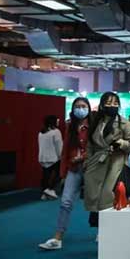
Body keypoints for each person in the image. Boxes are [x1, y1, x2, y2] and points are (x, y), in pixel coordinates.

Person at [38, 97, 92, 250]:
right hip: (73, 168)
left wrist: (83, 157)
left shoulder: (94, 126)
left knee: (96, 202)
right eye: (77, 106)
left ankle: (102, 233)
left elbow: (97, 147)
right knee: (65, 202)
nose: (80, 109)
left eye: (83, 106)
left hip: (91, 168)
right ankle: (58, 237)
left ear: (88, 108)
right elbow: (65, 149)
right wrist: (63, 172)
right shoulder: (70, 126)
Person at [83, 92, 130, 229]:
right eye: (108, 103)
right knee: (94, 196)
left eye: (115, 103)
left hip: (116, 163)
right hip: (96, 164)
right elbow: (90, 145)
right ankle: (100, 230)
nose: (112, 106)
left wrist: (121, 143)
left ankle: (110, 229)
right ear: (102, 105)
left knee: (108, 197)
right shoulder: (96, 123)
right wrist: (87, 162)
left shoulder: (125, 123)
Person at [38, 115, 63, 200]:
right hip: (53, 158)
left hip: (42, 158)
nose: (58, 122)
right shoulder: (56, 132)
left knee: (46, 176)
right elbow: (59, 146)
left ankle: (44, 193)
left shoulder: (41, 133)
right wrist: (61, 156)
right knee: (59, 174)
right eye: (57, 120)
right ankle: (50, 189)